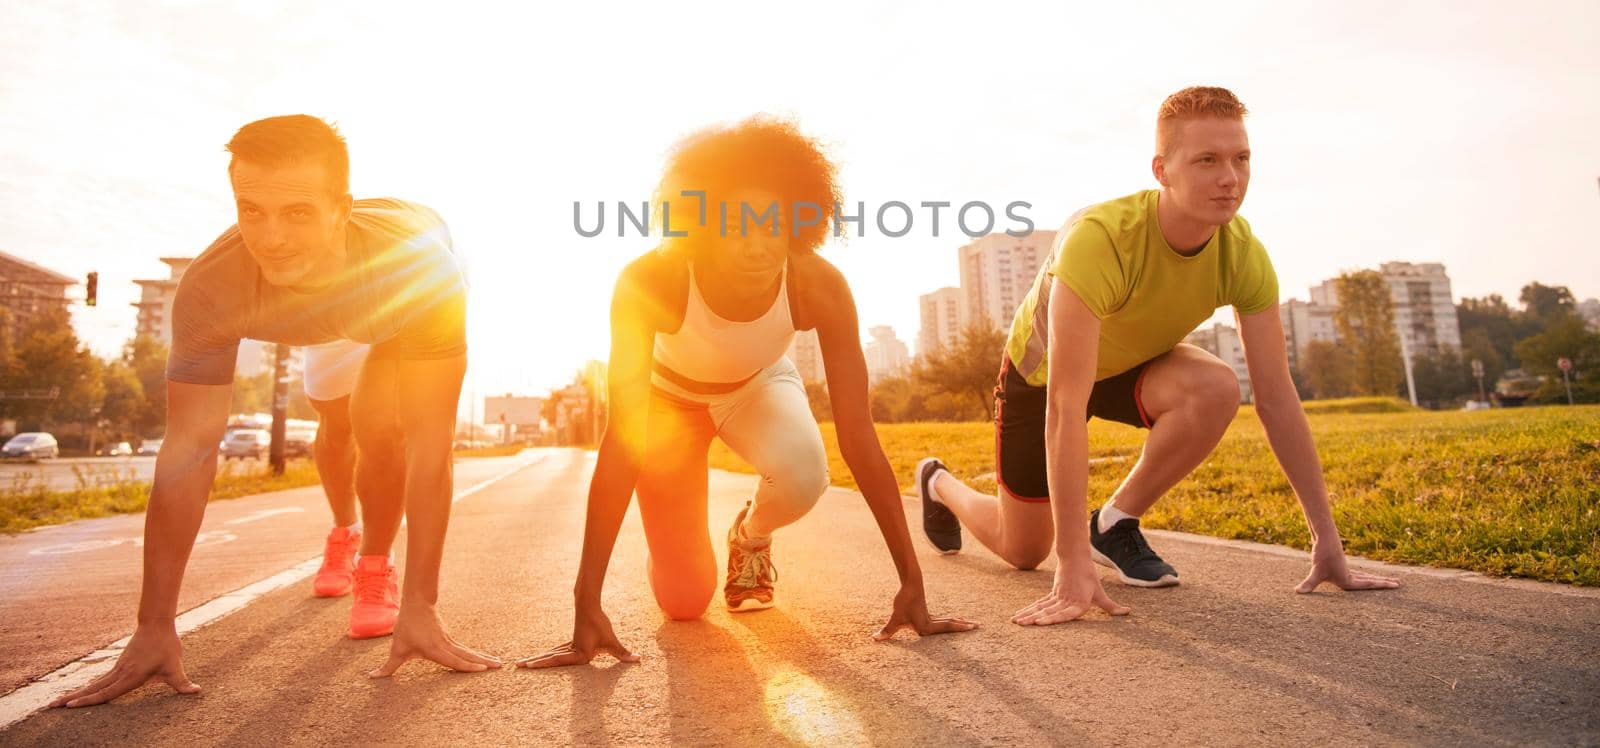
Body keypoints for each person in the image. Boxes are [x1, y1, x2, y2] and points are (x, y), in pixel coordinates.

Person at [53, 114, 499, 709]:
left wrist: (423, 606)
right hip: (331, 312)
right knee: (337, 426)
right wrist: (153, 624)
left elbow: (432, 443)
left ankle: (378, 570)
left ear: (341, 209)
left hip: (392, 297)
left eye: (297, 212)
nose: (271, 238)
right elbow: (189, 449)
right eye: (251, 209)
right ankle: (344, 529)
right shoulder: (213, 288)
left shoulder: (419, 272)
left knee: (385, 427)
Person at [916, 86, 1399, 627]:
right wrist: (1072, 565)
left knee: (1217, 386)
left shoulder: (1244, 254)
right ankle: (938, 482)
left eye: (1241, 159)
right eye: (1207, 160)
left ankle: (1115, 522)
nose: (1230, 178)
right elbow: (1065, 407)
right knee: (1024, 549)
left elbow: (1277, 396)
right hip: (1044, 376)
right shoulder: (1100, 240)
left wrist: (1326, 540)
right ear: (1162, 170)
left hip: (1131, 367)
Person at [520, 116, 975, 669]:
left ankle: (750, 536)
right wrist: (585, 600)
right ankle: (674, 550)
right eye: (737, 226)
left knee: (805, 476)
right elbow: (623, 439)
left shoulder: (818, 285)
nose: (759, 247)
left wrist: (912, 581)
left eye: (772, 225)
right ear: (702, 227)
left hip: (757, 384)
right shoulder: (651, 280)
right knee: (685, 602)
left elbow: (858, 437)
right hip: (668, 405)